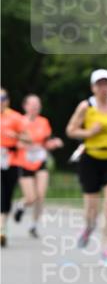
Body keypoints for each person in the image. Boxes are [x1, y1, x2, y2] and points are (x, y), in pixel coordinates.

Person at [65, 69, 107, 267]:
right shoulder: (86, 106)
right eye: (99, 84)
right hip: (90, 159)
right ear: (93, 87)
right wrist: (88, 132)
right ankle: (88, 228)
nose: (104, 88)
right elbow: (70, 130)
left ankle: (106, 251)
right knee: (92, 210)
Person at [13, 94, 63, 238]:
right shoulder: (19, 122)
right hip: (24, 162)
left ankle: (34, 226)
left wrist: (54, 144)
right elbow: (12, 142)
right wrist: (24, 144)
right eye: (32, 104)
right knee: (31, 198)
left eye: (37, 104)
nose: (35, 107)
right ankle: (21, 205)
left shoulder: (44, 122)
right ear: (25, 106)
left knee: (41, 196)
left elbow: (46, 143)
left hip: (40, 161)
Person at [0, 89, 27, 247]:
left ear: (8, 100)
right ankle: (1, 228)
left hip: (11, 159)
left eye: (3, 99)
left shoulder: (16, 117)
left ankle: (3, 227)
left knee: (7, 193)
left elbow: (28, 138)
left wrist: (16, 136)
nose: (1, 102)